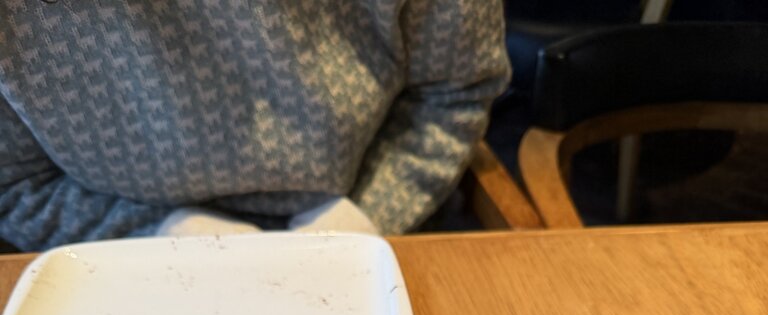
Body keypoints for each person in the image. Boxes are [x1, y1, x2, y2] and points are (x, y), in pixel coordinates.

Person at [0, 1, 510, 250]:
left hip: (369, 222)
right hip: (120, 253)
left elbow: (454, 89)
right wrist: (161, 233)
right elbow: (15, 184)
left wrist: (372, 213)